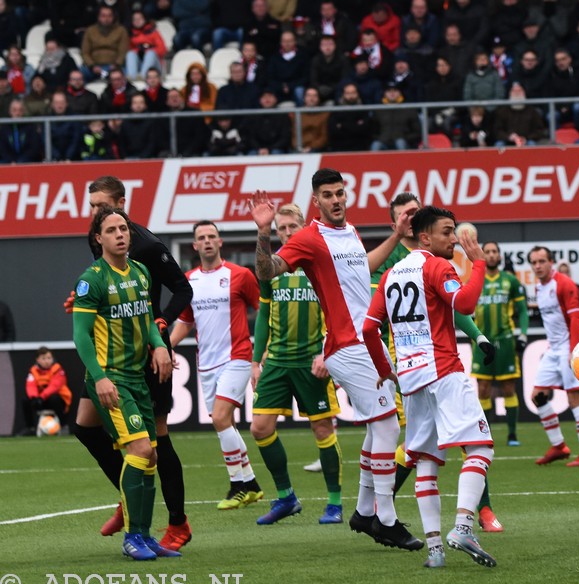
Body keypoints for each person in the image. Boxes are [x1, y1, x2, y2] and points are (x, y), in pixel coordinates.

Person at [249, 168, 423, 551]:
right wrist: (263, 232)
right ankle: (386, 520)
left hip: (366, 342)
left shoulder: (350, 232)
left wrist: (395, 233)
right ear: (317, 201)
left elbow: (365, 268)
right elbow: (267, 271)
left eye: (340, 193)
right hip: (346, 345)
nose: (336, 200)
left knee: (379, 429)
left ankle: (363, 513)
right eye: (328, 195)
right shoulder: (309, 237)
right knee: (388, 426)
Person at [363, 206, 497, 569]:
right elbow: (465, 302)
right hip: (443, 370)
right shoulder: (436, 266)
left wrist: (385, 369)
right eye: (447, 232)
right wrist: (478, 263)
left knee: (426, 460)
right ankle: (464, 526)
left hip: (409, 378)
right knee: (481, 449)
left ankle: (435, 551)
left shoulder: (390, 274)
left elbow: (368, 328)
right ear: (425, 237)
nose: (454, 239)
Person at [65, 176, 193, 551]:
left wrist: (161, 331)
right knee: (86, 427)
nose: (95, 215)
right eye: (92, 209)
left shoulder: (147, 250)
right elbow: (99, 302)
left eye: (101, 206)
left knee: (156, 444)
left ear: (122, 204)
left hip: (148, 357)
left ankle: (177, 523)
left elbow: (182, 289)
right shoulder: (99, 249)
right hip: (111, 364)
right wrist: (83, 302)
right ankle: (130, 494)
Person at [249, 203, 343, 525]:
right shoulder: (270, 269)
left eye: (292, 227)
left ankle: (334, 503)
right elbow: (263, 314)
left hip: (311, 361)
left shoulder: (320, 263)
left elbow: (339, 311)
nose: (287, 232)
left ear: (304, 227)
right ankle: (286, 497)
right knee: (260, 428)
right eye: (281, 228)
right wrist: (254, 362)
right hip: (276, 360)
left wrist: (329, 353)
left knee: (321, 429)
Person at [170, 221, 264, 511]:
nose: (207, 241)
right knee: (226, 424)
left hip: (237, 357)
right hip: (206, 364)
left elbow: (263, 311)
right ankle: (251, 485)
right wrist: (165, 347)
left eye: (212, 236)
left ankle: (237, 485)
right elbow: (185, 321)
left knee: (221, 417)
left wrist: (259, 357)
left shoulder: (240, 275)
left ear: (220, 242)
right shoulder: (189, 281)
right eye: (201, 237)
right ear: (195, 246)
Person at [529, 246, 579, 467]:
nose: (537, 266)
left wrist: (574, 350)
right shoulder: (539, 286)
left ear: (551, 262)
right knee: (537, 395)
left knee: (574, 398)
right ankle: (559, 446)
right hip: (553, 349)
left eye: (541, 261)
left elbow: (576, 319)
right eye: (534, 262)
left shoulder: (564, 284)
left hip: (569, 347)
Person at [471, 241, 529, 446]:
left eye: (495, 251)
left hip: (505, 342)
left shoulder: (510, 281)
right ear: (483, 255)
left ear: (500, 256)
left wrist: (522, 335)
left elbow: (522, 311)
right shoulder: (475, 280)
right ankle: (485, 435)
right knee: (483, 388)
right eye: (487, 252)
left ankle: (512, 434)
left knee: (508, 388)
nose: (492, 255)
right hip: (482, 342)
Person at [19, 346, 72, 436]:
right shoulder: (33, 371)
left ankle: (63, 426)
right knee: (25, 400)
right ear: (37, 360)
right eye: (43, 358)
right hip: (40, 399)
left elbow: (55, 386)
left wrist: (41, 397)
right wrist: (34, 398)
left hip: (58, 400)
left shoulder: (58, 369)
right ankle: (30, 428)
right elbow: (30, 385)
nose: (47, 361)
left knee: (54, 398)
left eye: (49, 358)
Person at [81, 5, 129, 82]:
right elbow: (85, 52)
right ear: (98, 17)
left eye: (109, 16)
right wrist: (92, 66)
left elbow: (123, 52)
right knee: (79, 75)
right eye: (103, 16)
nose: (106, 19)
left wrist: (116, 65)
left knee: (125, 74)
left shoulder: (121, 31)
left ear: (113, 17)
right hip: (93, 66)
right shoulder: (90, 30)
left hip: (114, 66)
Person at [370, 81, 421, 151]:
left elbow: (417, 132)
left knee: (400, 143)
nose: (392, 93)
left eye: (395, 90)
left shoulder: (409, 109)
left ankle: (404, 162)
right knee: (376, 145)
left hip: (405, 143)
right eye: (389, 91)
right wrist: (381, 138)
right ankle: (373, 162)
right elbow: (373, 131)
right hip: (384, 142)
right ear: (384, 93)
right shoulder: (378, 110)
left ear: (400, 92)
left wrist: (404, 138)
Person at [125, 9, 167, 81]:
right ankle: (131, 78)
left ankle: (144, 76)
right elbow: (129, 49)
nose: (137, 21)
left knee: (150, 53)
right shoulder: (131, 34)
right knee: (130, 54)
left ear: (145, 19)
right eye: (135, 19)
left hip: (155, 65)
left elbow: (162, 49)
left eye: (139, 18)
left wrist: (147, 50)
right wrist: (139, 50)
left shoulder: (153, 32)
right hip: (140, 63)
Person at [0, 99, 41, 164]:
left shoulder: (31, 127)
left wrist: (20, 161)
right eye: (14, 110)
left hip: (27, 161)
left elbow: (34, 149)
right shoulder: (4, 129)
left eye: (20, 110)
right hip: (8, 162)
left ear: (23, 112)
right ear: (10, 112)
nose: (17, 113)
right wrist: (11, 161)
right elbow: (2, 149)